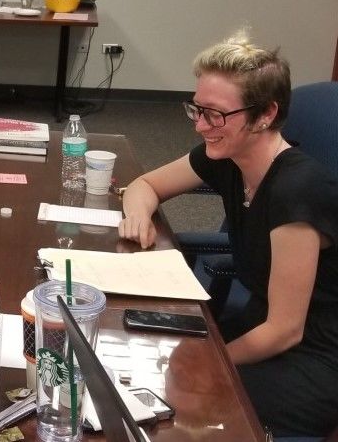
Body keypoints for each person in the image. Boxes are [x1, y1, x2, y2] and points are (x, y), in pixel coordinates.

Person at [118, 32, 338, 436]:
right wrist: (138, 217)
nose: (202, 126)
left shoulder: (297, 190)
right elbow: (144, 185)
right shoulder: (229, 155)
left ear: (265, 114)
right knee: (145, 364)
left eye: (215, 114)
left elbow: (286, 328)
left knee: (182, 404)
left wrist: (214, 361)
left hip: (315, 355)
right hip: (260, 327)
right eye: (197, 110)